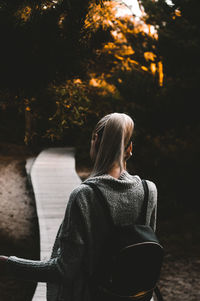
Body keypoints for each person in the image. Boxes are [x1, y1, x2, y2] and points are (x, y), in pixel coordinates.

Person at [0, 112, 157, 301]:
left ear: (95, 140)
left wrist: (10, 264)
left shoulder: (84, 196)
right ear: (130, 148)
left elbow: (64, 270)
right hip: (134, 295)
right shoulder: (149, 191)